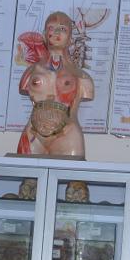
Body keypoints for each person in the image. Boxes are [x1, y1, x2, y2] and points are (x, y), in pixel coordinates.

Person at [16, 11, 93, 158]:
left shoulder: (83, 78)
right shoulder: (30, 74)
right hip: (34, 134)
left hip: (68, 135)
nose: (56, 32)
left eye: (62, 29)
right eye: (51, 28)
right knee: (27, 173)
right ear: (45, 35)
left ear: (71, 38)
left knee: (72, 173)